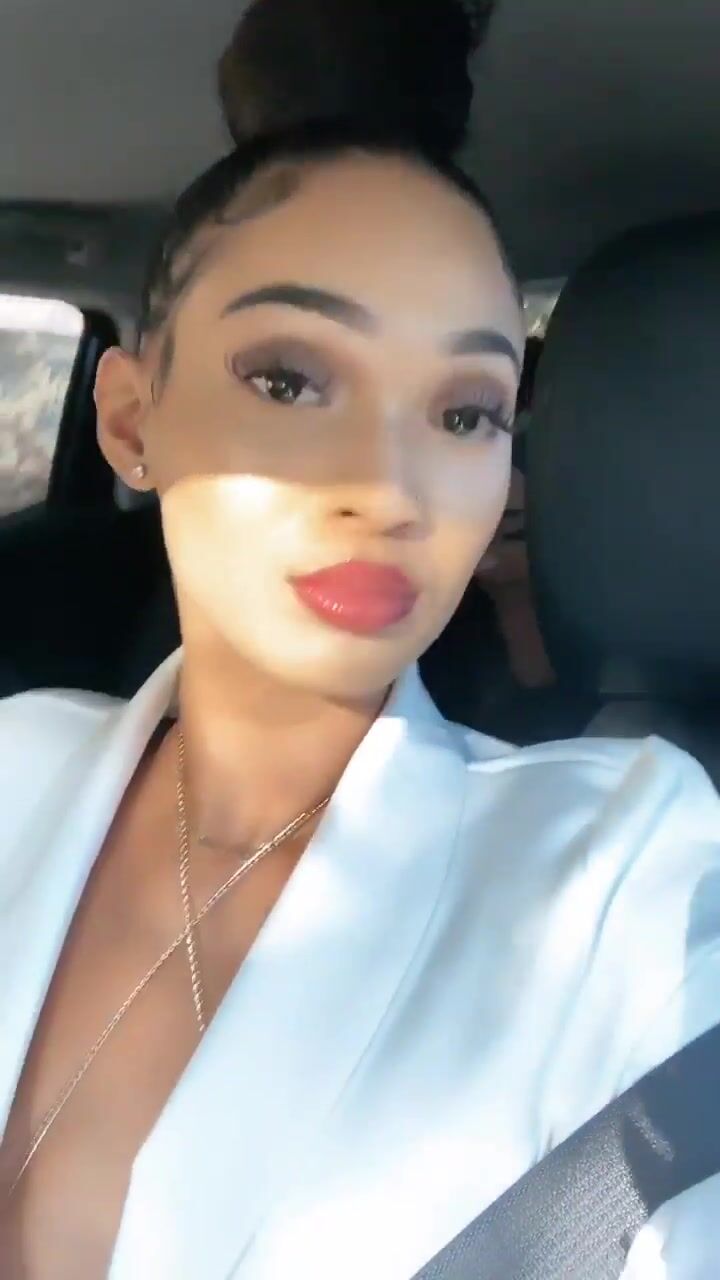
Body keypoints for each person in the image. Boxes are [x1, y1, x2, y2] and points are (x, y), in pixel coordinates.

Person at [2, 48, 720, 1280]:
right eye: (289, 380)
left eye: (465, 412)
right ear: (128, 420)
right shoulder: (17, 756)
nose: (388, 490)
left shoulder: (625, 874)